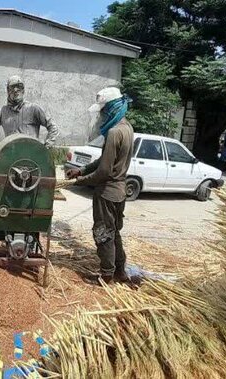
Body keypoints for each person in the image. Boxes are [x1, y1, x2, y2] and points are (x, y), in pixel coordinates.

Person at [66, 87, 134, 284]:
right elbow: (105, 160)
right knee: (115, 232)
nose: (102, 116)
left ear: (111, 108)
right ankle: (120, 271)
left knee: (103, 234)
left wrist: (80, 181)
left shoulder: (113, 132)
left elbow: (104, 172)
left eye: (103, 111)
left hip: (107, 193)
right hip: (120, 192)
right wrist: (82, 170)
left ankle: (106, 275)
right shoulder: (127, 128)